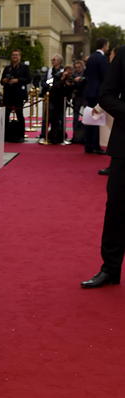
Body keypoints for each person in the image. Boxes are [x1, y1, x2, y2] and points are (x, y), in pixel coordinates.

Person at [81, 45, 125, 288]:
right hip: (124, 147)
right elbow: (106, 96)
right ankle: (110, 269)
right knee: (116, 209)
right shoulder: (124, 54)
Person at [83, 38, 109, 154]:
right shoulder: (102, 58)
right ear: (104, 45)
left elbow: (87, 74)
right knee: (97, 119)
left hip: (89, 91)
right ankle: (95, 146)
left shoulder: (90, 58)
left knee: (90, 119)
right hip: (98, 92)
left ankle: (88, 145)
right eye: (107, 45)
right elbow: (105, 76)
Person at [1, 49, 31, 141]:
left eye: (16, 55)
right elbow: (1, 81)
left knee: (19, 115)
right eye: (13, 55)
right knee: (6, 116)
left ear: (20, 57)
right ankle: (5, 135)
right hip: (8, 95)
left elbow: (28, 79)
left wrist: (17, 80)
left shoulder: (24, 67)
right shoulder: (7, 68)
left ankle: (21, 135)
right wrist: (5, 80)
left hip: (18, 95)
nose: (15, 56)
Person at [38, 54, 64, 143]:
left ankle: (56, 136)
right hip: (49, 97)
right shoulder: (49, 71)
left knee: (58, 118)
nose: (52, 61)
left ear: (59, 61)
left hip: (59, 98)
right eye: (52, 59)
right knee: (46, 117)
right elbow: (43, 82)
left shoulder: (63, 71)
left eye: (54, 59)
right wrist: (49, 84)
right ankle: (43, 135)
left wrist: (51, 83)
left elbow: (60, 82)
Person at [70, 59, 86, 144]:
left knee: (86, 117)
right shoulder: (73, 75)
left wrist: (81, 79)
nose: (77, 69)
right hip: (76, 97)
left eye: (79, 67)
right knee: (75, 118)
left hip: (84, 96)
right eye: (76, 67)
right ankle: (75, 136)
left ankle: (84, 137)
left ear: (82, 67)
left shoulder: (85, 74)